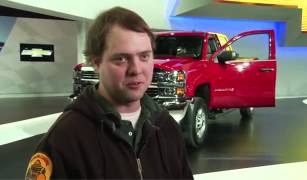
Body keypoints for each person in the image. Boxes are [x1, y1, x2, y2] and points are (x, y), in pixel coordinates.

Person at [25, 6, 193, 179]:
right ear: (96, 62)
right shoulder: (65, 138)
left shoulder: (166, 126)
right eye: (121, 59)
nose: (136, 69)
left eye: (144, 56)